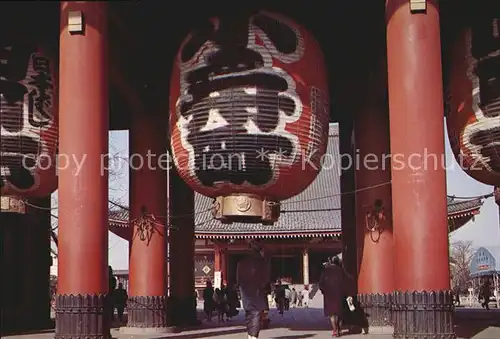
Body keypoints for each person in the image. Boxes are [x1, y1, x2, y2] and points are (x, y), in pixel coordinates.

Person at [237, 240, 271, 339]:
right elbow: (266, 277)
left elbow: (238, 278)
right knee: (256, 313)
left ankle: (250, 334)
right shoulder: (262, 261)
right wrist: (265, 287)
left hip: (245, 290)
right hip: (258, 290)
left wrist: (240, 287)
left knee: (248, 313)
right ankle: (253, 335)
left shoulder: (241, 262)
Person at [319, 256, 351, 337]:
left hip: (329, 295)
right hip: (340, 294)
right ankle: (339, 330)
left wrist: (324, 292)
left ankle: (335, 330)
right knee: (340, 313)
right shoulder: (341, 271)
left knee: (332, 314)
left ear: (331, 262)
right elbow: (347, 282)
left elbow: (321, 284)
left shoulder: (325, 271)